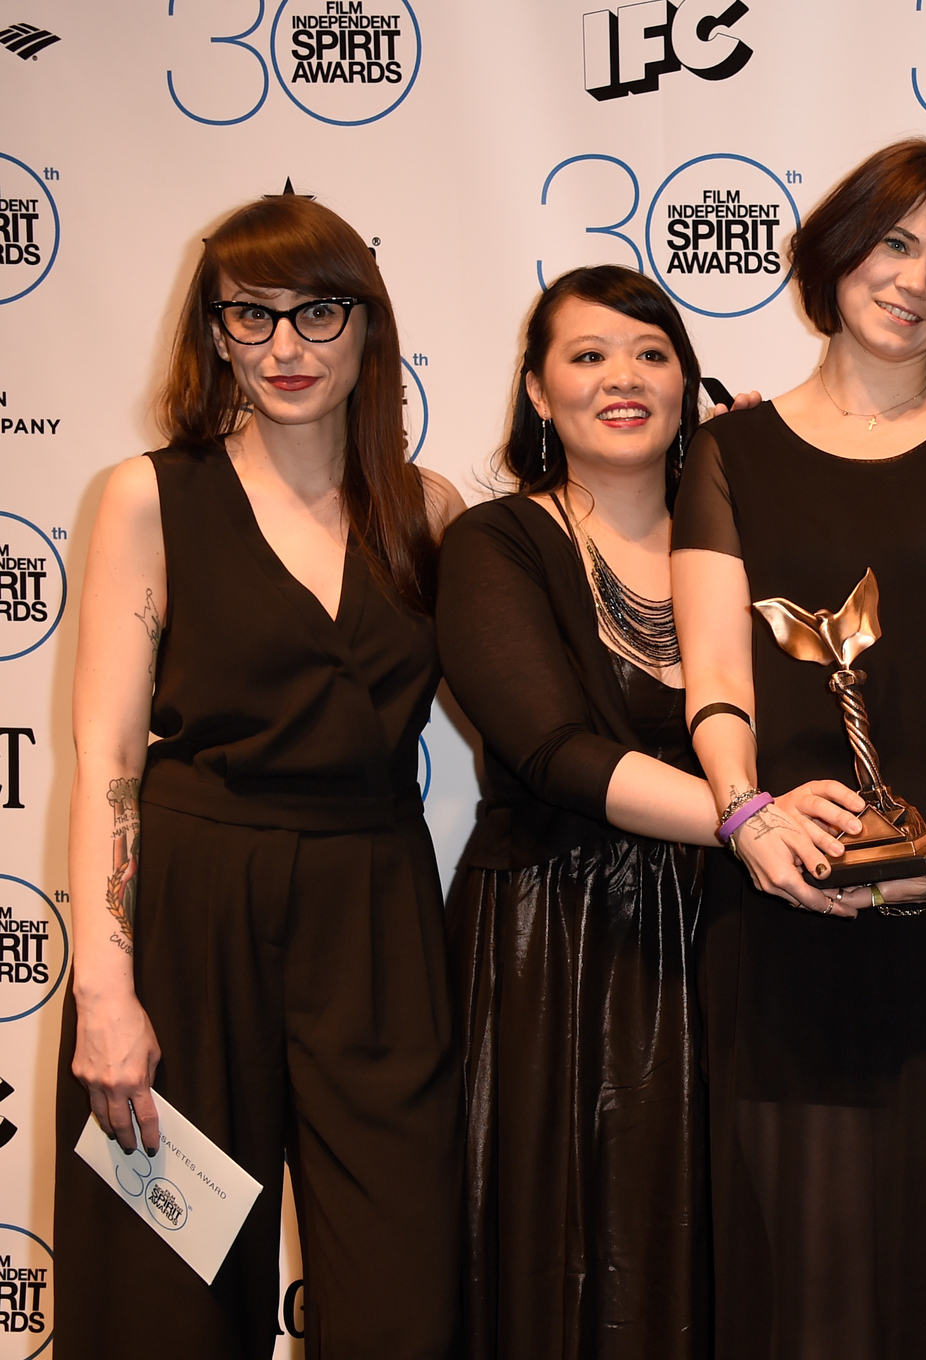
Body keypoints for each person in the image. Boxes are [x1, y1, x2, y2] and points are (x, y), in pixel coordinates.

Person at [672, 138, 926, 1360]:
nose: (915, 281)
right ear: (838, 249)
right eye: (895, 243)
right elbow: (719, 681)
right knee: (818, 1299)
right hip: (791, 917)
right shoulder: (728, 455)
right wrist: (750, 820)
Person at [56, 190, 466, 1357]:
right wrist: (104, 991)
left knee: (405, 1291)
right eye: (252, 316)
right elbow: (109, 762)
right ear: (215, 331)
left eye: (318, 313)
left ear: (366, 325)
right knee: (163, 1297)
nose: (285, 348)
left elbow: (540, 691)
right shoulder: (148, 496)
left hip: (376, 915)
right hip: (191, 908)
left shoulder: (429, 512)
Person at [437, 264, 863, 1360]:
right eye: (586, 356)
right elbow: (549, 750)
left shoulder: (744, 542)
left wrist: (781, 479)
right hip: (556, 948)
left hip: (738, 937)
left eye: (650, 353)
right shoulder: (497, 543)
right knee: (560, 1266)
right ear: (537, 391)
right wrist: (744, 814)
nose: (621, 378)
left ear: (687, 382)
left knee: (745, 1269)